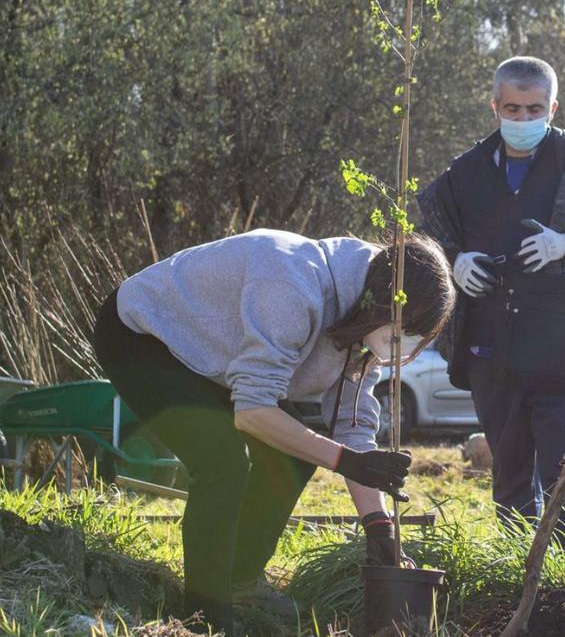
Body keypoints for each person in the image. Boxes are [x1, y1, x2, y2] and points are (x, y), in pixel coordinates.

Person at [92, 229, 455, 633]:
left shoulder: (369, 322)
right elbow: (253, 412)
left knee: (293, 458)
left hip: (219, 359)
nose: (401, 349)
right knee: (223, 461)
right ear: (385, 301)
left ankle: (241, 581)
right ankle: (204, 616)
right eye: (403, 334)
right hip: (143, 334)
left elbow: (352, 428)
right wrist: (344, 461)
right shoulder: (291, 282)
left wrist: (379, 526)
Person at [418, 56, 565, 540]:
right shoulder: (466, 171)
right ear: (494, 106)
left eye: (534, 109)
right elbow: (424, 236)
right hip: (490, 346)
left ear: (553, 107)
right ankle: (517, 577)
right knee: (511, 472)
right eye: (512, 109)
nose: (522, 120)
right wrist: (453, 262)